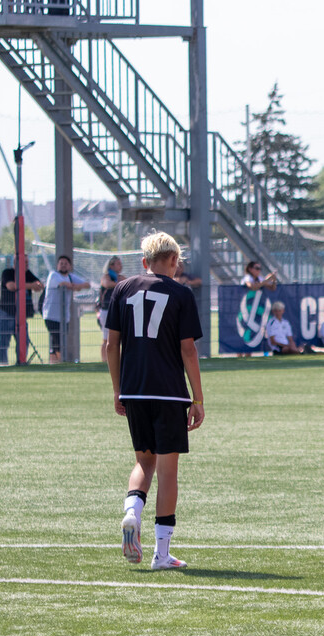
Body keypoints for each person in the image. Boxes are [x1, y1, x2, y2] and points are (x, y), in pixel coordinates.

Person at [105, 232, 205, 571]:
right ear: (175, 261)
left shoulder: (121, 289)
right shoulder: (180, 293)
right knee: (168, 472)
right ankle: (161, 554)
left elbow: (110, 346)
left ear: (145, 262)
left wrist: (118, 389)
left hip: (133, 390)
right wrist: (198, 398)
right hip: (169, 392)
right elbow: (188, 349)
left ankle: (132, 512)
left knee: (143, 463)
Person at [0, 255, 43, 365]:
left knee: (23, 340)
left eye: (27, 262)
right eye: (24, 262)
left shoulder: (28, 274)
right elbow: (11, 286)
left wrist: (34, 285)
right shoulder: (7, 273)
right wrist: (30, 285)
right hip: (5, 313)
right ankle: (3, 363)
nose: (27, 265)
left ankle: (21, 361)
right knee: (4, 341)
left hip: (20, 315)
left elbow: (39, 285)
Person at [43, 255, 91, 364]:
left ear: (69, 266)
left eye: (66, 263)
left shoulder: (70, 276)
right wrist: (76, 287)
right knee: (57, 340)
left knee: (60, 340)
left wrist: (75, 286)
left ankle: (55, 362)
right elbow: (63, 284)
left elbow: (87, 284)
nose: (63, 265)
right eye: (61, 263)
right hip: (51, 315)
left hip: (64, 317)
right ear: (57, 265)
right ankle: (59, 361)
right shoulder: (53, 275)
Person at [97, 256, 123, 364]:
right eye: (118, 263)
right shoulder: (106, 277)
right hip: (106, 311)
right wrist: (120, 284)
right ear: (111, 265)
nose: (120, 266)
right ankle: (104, 360)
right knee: (106, 338)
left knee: (118, 339)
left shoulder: (121, 277)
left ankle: (118, 360)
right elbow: (107, 284)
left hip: (118, 311)